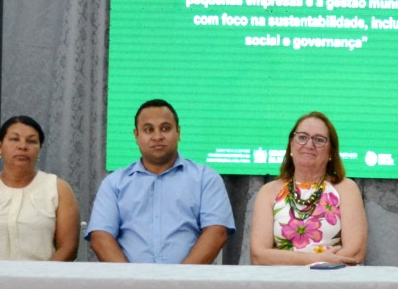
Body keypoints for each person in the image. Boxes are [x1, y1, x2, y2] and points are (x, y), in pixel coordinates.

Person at [88, 99, 234, 264]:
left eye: (165, 128)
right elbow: (100, 236)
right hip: (130, 285)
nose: (157, 136)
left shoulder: (205, 178)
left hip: (189, 285)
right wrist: (131, 281)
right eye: (148, 129)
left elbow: (216, 232)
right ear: (136, 135)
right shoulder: (114, 183)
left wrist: (178, 281)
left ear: (178, 132)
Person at [250, 111, 367, 265]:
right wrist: (317, 260)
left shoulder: (346, 188)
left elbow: (354, 253)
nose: (309, 145)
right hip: (282, 282)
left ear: (331, 151)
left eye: (319, 140)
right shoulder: (269, 191)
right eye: (302, 137)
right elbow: (259, 255)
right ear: (291, 145)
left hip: (333, 280)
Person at [0, 115, 80, 261]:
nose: (22, 146)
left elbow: (68, 248)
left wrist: (42, 279)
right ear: (0, 146)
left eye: (31, 141)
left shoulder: (58, 189)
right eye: (14, 139)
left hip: (44, 280)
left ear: (40, 149)